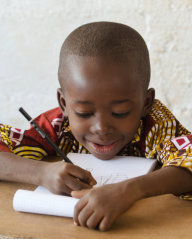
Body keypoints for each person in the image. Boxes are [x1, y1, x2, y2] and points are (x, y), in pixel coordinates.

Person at [0, 21, 192, 231]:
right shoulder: (56, 125)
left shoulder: (156, 124)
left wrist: (128, 191)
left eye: (120, 113)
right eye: (84, 113)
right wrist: (41, 173)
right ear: (63, 103)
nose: (101, 128)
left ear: (146, 103)